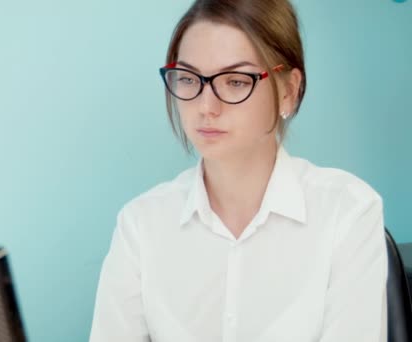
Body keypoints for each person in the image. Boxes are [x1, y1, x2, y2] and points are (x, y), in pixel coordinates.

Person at [89, 0, 388, 341]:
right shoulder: (141, 225)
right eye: (188, 79)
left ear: (288, 91)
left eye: (235, 81)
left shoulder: (347, 212)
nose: (206, 106)